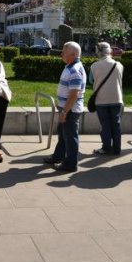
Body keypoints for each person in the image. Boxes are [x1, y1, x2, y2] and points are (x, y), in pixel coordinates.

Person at [43, 41, 86, 173]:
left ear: (73, 54)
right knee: (63, 134)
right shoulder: (70, 66)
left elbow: (73, 94)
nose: (61, 53)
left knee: (70, 136)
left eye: (64, 51)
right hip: (67, 108)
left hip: (70, 110)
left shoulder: (74, 70)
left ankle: (70, 164)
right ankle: (58, 156)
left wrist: (65, 111)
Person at [89, 42, 124, 156]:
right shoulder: (119, 65)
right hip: (117, 99)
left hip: (101, 100)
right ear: (110, 51)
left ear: (98, 52)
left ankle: (106, 148)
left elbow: (91, 81)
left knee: (105, 125)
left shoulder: (94, 66)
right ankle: (117, 149)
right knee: (116, 124)